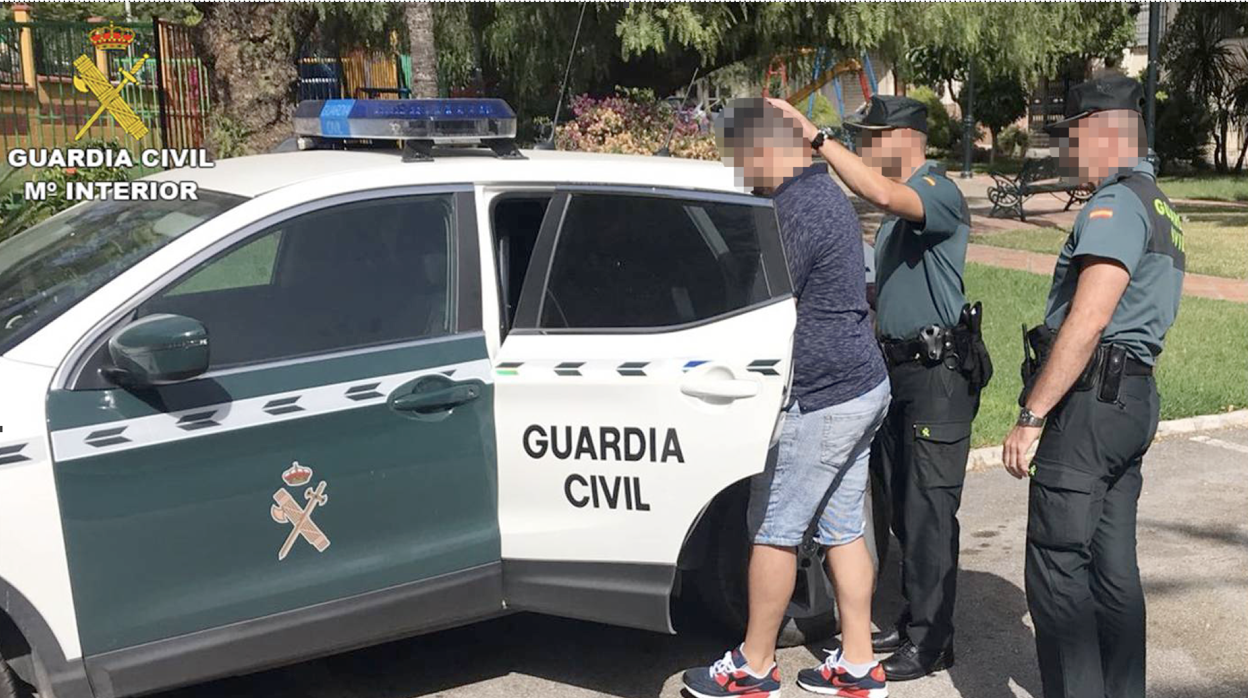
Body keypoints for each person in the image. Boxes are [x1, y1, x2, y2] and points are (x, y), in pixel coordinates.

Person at [768, 94, 991, 681]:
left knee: (929, 510)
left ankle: (932, 639)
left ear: (904, 138)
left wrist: (815, 140)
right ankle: (915, 617)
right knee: (897, 506)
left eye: (871, 137)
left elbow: (880, 192)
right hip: (896, 369)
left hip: (936, 375)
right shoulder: (902, 210)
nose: (865, 146)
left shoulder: (933, 191)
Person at [681, 99, 890, 698]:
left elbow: (761, 302)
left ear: (764, 148)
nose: (739, 173)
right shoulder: (820, 192)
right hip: (861, 384)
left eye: (741, 159)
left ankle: (753, 666)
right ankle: (857, 664)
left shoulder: (797, 207)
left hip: (821, 398)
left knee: (774, 527)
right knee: (842, 526)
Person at [1002, 75, 1182, 698]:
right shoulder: (1158, 202)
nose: (1065, 152)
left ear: (1102, 132)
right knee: (1112, 569)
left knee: (1057, 567)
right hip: (1132, 401)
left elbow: (1089, 317)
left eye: (1071, 137)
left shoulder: (1114, 205)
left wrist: (1031, 415)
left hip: (1091, 407)